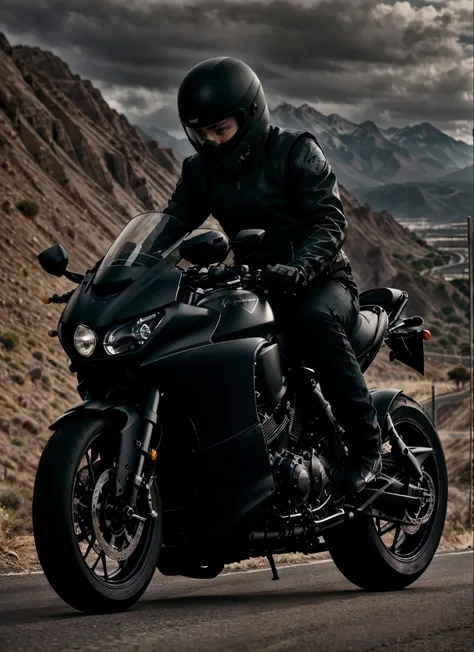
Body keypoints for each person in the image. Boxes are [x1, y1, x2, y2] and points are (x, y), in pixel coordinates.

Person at [163, 56, 382, 496]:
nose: (211, 142)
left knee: (313, 319)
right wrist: (124, 268)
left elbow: (329, 220)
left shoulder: (296, 150)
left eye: (220, 130)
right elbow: (170, 223)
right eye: (200, 133)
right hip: (252, 285)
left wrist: (301, 267)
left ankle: (367, 448)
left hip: (322, 281)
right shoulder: (200, 170)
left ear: (250, 116)